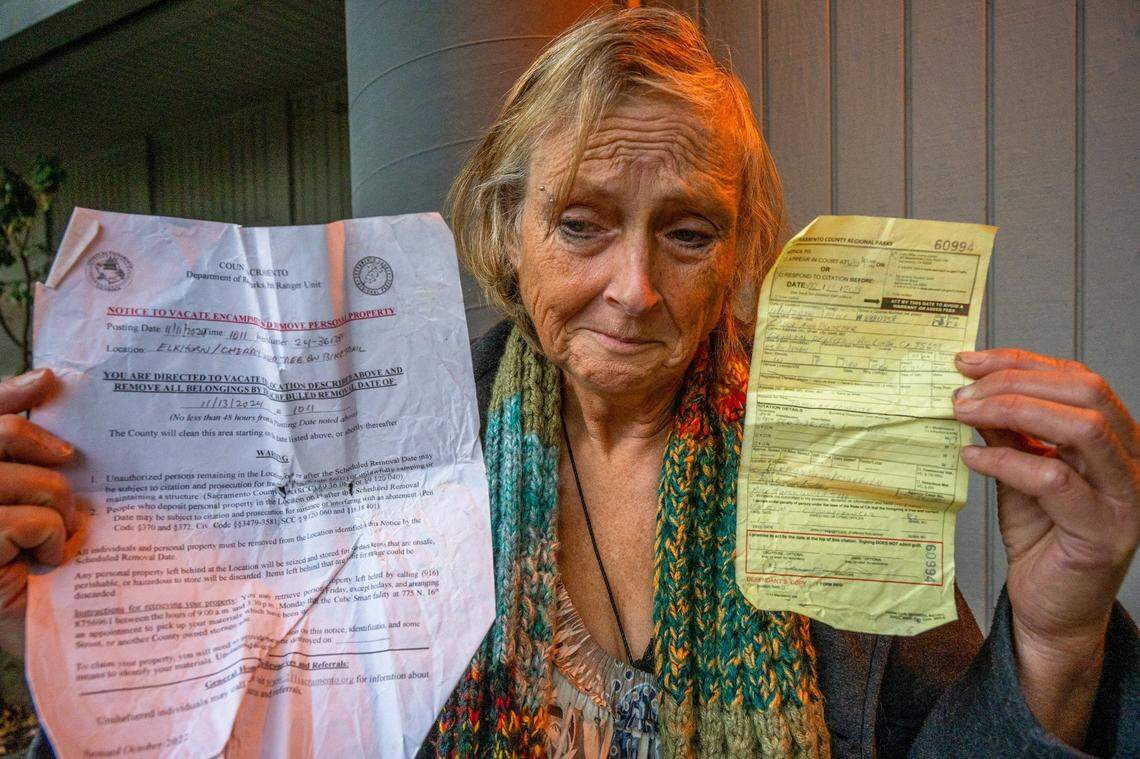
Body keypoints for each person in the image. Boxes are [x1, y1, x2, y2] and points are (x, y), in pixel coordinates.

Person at [1, 7, 1136, 758]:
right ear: (507, 224)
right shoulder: (373, 454)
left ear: (742, 252)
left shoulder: (828, 465)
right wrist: (83, 630)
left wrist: (1057, 636)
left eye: (687, 233)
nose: (632, 290)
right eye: (582, 223)